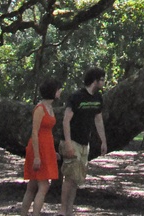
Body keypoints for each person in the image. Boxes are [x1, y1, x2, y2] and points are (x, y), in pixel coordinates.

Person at [58, 67, 107, 216]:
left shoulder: (98, 98)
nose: (104, 82)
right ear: (95, 81)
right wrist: (67, 143)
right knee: (70, 177)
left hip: (85, 142)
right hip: (72, 140)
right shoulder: (76, 96)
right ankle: (62, 210)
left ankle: (69, 210)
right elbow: (66, 120)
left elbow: (98, 120)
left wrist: (103, 141)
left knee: (76, 179)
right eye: (102, 79)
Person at [21, 76, 62, 216]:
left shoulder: (50, 107)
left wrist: (53, 151)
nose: (60, 91)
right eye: (58, 89)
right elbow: (34, 132)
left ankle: (24, 213)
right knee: (43, 185)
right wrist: (37, 157)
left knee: (32, 186)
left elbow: (48, 132)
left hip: (47, 147)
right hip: (37, 148)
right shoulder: (40, 108)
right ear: (53, 91)